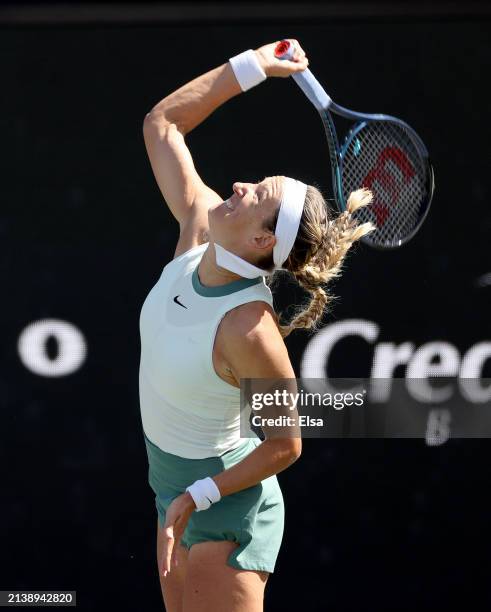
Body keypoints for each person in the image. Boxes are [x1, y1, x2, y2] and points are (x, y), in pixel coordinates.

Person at [140, 39, 375, 612]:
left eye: (256, 194)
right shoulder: (197, 233)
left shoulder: (248, 328)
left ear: (263, 240)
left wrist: (198, 495)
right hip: (170, 487)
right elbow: (163, 124)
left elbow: (286, 443)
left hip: (222, 506)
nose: (240, 186)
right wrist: (252, 67)